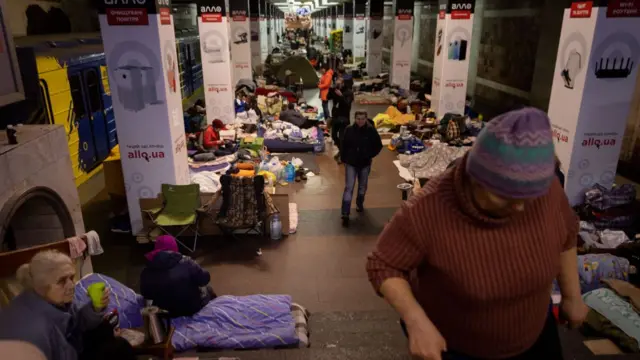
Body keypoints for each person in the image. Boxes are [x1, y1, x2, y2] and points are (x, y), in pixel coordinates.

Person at [366, 108, 587, 360]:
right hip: (461, 347)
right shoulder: (428, 208)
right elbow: (383, 265)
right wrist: (415, 319)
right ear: (475, 177)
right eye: (504, 196)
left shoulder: (547, 192)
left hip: (536, 336)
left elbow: (566, 234)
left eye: (529, 197)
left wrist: (572, 297)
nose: (519, 207)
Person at [0, 250, 130, 360]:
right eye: (62, 281)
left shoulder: (52, 298)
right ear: (41, 285)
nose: (71, 285)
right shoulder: (34, 331)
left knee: (107, 332)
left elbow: (75, 322)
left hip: (70, 347)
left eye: (71, 278)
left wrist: (96, 308)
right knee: (118, 350)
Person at [140, 235, 217, 318]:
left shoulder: (146, 272)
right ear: (174, 247)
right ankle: (215, 312)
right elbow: (205, 278)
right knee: (208, 288)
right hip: (192, 308)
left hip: (166, 313)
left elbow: (146, 294)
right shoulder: (187, 263)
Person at [340, 111, 383, 227]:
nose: (360, 121)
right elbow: (343, 145)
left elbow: (378, 145)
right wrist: (344, 159)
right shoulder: (349, 130)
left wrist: (369, 155)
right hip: (351, 163)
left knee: (362, 187)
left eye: (362, 119)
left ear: (366, 119)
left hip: (364, 163)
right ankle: (345, 213)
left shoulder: (371, 131)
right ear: (354, 119)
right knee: (349, 187)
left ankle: (359, 203)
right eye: (358, 119)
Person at [330, 76, 354, 162]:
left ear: (343, 84)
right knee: (333, 135)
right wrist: (331, 89)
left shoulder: (349, 92)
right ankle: (342, 151)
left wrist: (341, 96)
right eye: (337, 84)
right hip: (335, 116)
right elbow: (328, 97)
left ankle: (343, 155)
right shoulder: (335, 90)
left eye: (339, 84)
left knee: (342, 137)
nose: (338, 85)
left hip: (344, 118)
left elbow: (347, 105)